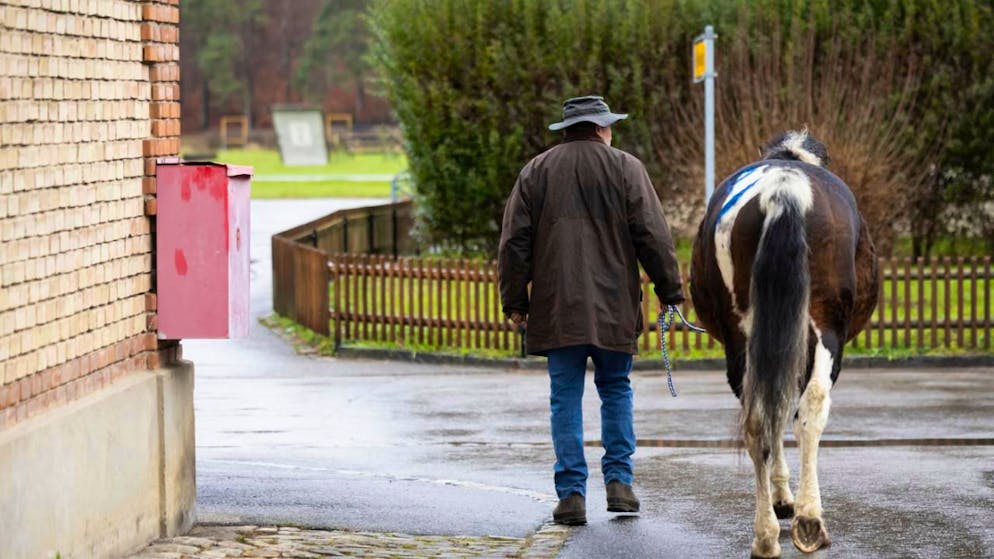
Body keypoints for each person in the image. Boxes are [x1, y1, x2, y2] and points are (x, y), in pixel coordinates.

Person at [498, 95, 685, 525]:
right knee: (615, 388)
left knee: (564, 397)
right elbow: (652, 235)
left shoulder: (536, 171)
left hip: (557, 305)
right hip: (614, 304)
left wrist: (515, 301)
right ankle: (619, 483)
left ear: (568, 130)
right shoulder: (626, 168)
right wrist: (670, 289)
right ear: (601, 128)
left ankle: (571, 496)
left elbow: (514, 243)